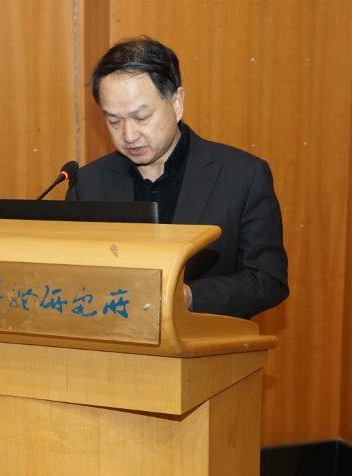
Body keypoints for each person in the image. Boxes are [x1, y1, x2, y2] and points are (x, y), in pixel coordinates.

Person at [66, 36, 288, 319]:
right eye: (114, 121)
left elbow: (268, 280)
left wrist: (188, 296)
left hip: (206, 339)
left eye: (141, 117)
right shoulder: (88, 183)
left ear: (177, 103)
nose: (129, 135)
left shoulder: (242, 176)